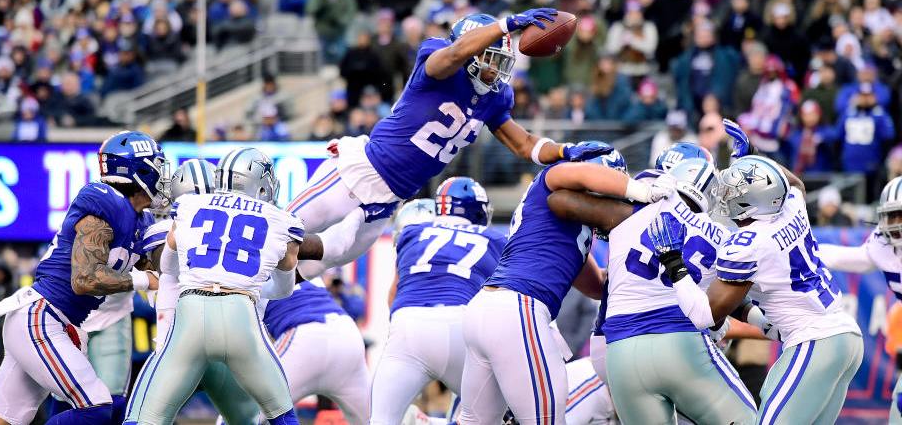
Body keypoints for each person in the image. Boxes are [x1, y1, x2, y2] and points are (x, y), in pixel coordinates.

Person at [287, 11, 613, 279]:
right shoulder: (437, 60)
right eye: (489, 58)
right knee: (279, 230)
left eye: (500, 61)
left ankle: (265, 303)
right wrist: (506, 23)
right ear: (471, 48)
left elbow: (524, 144)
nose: (495, 69)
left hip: (391, 199)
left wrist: (564, 151)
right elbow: (455, 54)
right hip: (360, 173)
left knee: (318, 264)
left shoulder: (495, 97)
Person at [457, 148, 674, 424]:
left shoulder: (566, 228)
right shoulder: (557, 177)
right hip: (519, 310)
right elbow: (576, 173)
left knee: (475, 421)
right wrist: (642, 192)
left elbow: (597, 286)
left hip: (486, 309)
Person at [657, 152, 863, 424]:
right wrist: (755, 159)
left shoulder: (748, 244)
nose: (725, 197)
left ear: (751, 200)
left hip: (815, 341)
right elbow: (794, 183)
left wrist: (674, 263)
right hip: (847, 336)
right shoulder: (792, 207)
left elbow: (705, 316)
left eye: (732, 192)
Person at [549, 157, 757, 423]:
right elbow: (723, 308)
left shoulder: (630, 212)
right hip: (680, 343)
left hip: (619, 351)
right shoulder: (723, 236)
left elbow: (558, 201)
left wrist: (627, 200)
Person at [0, 131, 165, 425]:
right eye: (156, 165)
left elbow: (159, 273)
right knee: (96, 406)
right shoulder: (105, 204)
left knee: (6, 420)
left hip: (51, 320)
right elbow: (85, 279)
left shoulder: (140, 219)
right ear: (136, 169)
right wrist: (143, 281)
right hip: (42, 316)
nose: (161, 173)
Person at [125, 147, 302, 425]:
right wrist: (252, 285)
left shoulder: (186, 210)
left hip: (187, 322)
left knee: (145, 419)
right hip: (240, 316)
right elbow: (284, 289)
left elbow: (168, 267)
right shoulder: (280, 220)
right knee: (280, 414)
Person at [371, 177, 507, 425]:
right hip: (460, 325)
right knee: (489, 416)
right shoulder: (495, 239)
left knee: (381, 419)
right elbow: (503, 304)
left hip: (407, 324)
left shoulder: (410, 233)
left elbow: (394, 294)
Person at [818, 176, 902, 422]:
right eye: (891, 216)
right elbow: (852, 258)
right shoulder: (884, 245)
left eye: (901, 215)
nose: (894, 224)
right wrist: (804, 252)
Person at [260, 276, 370, 425]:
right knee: (374, 419)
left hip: (304, 337)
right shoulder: (308, 265)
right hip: (346, 332)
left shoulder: (251, 270)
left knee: (245, 413)